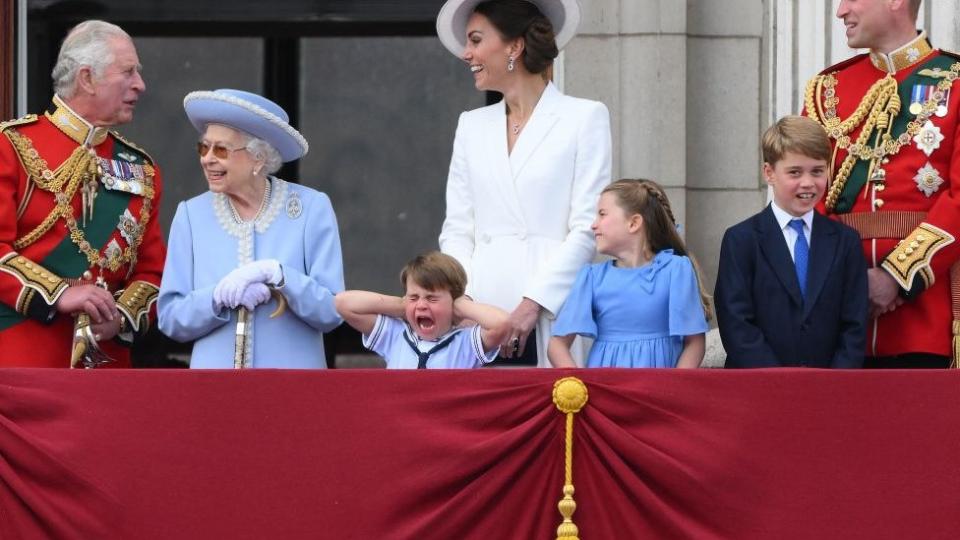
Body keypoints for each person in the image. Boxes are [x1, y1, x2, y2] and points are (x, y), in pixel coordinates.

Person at [436, 0, 611, 367]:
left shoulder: (584, 117)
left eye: (476, 40)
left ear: (515, 46)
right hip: (478, 318)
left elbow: (585, 229)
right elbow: (457, 229)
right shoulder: (471, 125)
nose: (467, 54)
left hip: (550, 312)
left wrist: (533, 303)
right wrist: (464, 302)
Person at [803, 0, 960, 368]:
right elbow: (808, 195)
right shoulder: (827, 91)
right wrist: (851, 280)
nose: (841, 11)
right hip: (840, 319)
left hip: (924, 319)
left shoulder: (954, 82)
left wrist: (897, 276)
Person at [0, 20, 165, 368]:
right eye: (128, 72)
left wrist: (120, 317)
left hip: (107, 369)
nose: (140, 84)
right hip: (21, 363)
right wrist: (60, 295)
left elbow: (155, 274)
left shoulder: (141, 168)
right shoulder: (11, 146)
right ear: (87, 78)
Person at [157, 89, 344, 368]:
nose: (207, 158)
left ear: (258, 158)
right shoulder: (190, 215)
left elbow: (332, 312)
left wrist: (281, 276)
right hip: (214, 389)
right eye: (203, 147)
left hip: (293, 388)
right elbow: (171, 319)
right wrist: (216, 297)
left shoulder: (311, 208)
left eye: (221, 150)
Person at [715, 116, 869, 368]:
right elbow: (736, 321)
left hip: (829, 390)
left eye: (817, 171)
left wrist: (837, 381)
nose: (807, 183)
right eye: (795, 172)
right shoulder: (741, 240)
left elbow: (854, 323)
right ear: (769, 173)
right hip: (759, 387)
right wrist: (780, 383)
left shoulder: (845, 241)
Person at [548, 179, 710, 368]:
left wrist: (674, 389)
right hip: (606, 391)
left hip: (657, 391)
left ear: (633, 223)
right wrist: (577, 386)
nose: (593, 225)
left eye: (602, 214)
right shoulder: (592, 277)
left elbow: (695, 343)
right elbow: (557, 344)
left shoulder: (675, 270)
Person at [335, 251, 509, 369]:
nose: (422, 305)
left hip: (444, 422)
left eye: (432, 298)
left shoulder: (465, 343)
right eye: (414, 297)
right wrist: (402, 307)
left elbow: (503, 324)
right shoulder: (395, 336)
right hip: (399, 422)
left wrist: (461, 306)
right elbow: (343, 303)